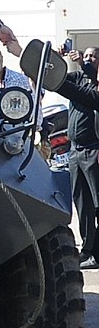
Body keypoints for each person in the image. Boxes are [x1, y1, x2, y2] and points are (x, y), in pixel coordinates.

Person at [53, 46, 99, 268]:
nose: (89, 59)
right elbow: (55, 79)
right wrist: (55, 56)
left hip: (94, 151)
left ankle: (96, 251)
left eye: (93, 57)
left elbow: (74, 92)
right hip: (76, 152)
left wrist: (82, 63)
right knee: (82, 204)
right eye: (87, 55)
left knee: (97, 204)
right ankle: (88, 249)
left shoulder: (95, 86)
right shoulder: (78, 77)